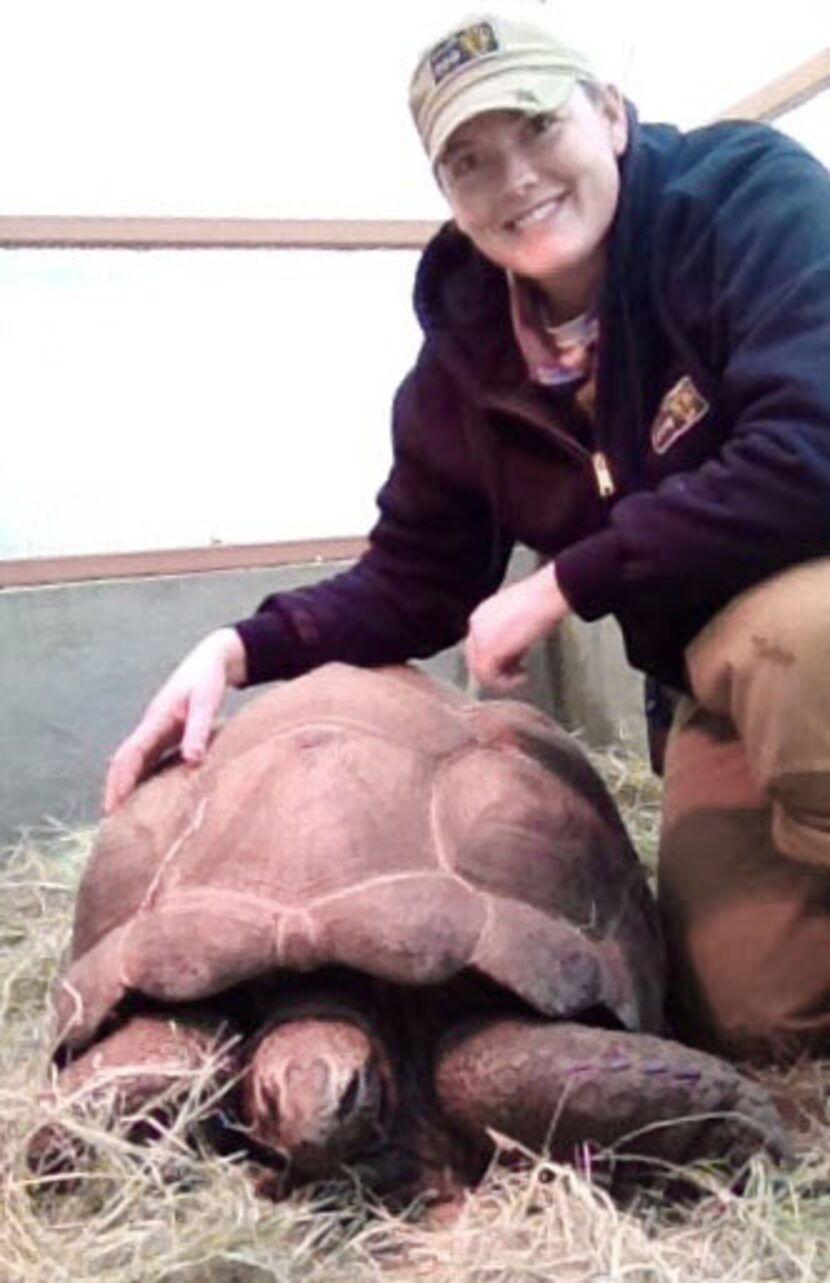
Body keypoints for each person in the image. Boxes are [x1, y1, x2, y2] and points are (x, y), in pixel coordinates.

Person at [104, 7, 830, 1066]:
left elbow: (812, 445)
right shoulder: (468, 362)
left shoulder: (740, 202)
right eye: (470, 161)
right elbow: (414, 578)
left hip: (802, 610)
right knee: (748, 1018)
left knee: (792, 632)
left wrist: (564, 583)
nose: (516, 178)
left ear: (611, 115)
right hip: (707, 679)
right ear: (446, 194)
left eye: (537, 127)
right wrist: (239, 645)